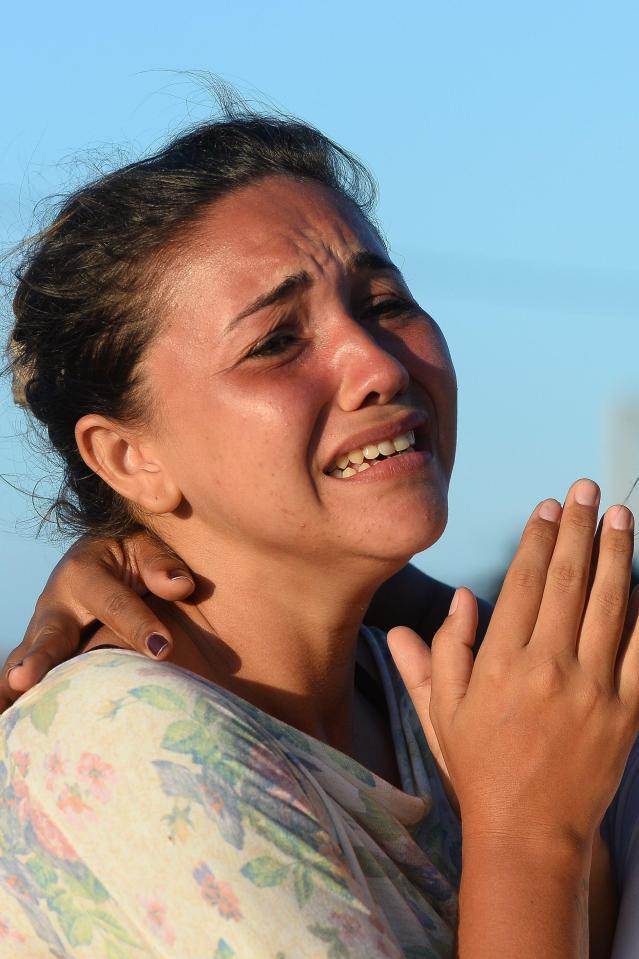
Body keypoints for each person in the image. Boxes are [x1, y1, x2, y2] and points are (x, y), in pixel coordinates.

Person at [1, 103, 637, 959]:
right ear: (126, 455)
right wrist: (529, 835)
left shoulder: (465, 700)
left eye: (382, 302)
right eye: (275, 342)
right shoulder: (127, 741)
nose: (377, 365)